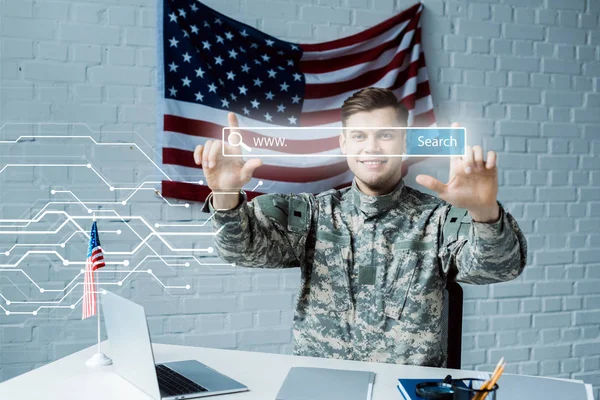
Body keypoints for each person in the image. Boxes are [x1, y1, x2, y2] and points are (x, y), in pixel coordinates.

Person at [196, 87, 528, 367]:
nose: (371, 147)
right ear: (344, 144)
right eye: (359, 136)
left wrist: (484, 211)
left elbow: (499, 268)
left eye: (385, 135)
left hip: (408, 391)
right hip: (323, 386)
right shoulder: (311, 213)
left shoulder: (438, 219)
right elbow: (241, 250)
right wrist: (225, 195)